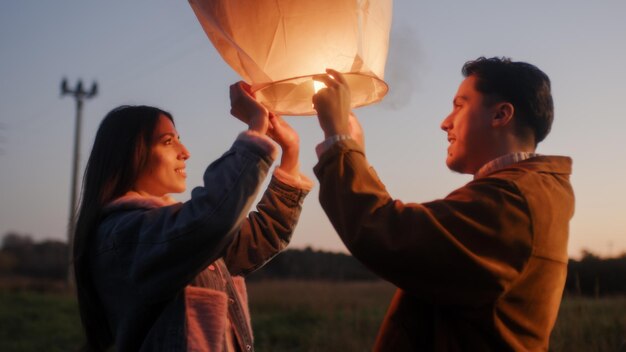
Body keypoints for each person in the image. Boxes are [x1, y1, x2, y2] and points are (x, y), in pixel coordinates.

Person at [311, 57, 575, 351]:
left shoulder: (512, 201)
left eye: (460, 105)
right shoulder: (524, 192)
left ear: (501, 115)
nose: (445, 122)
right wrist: (349, 148)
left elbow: (388, 232)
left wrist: (339, 141)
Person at [73, 82, 312, 352]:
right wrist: (256, 128)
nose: (185, 152)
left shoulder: (175, 236)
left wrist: (290, 154)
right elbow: (210, 220)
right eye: (167, 141)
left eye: (179, 138)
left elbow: (260, 237)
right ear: (130, 155)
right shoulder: (124, 236)